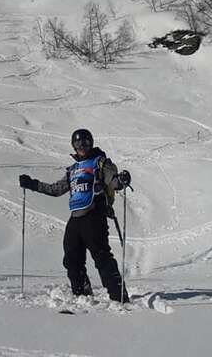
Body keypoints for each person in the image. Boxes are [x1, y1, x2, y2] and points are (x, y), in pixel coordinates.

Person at [19, 129, 132, 303]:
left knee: (101, 257)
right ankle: (82, 294)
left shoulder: (101, 162)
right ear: (74, 145)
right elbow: (56, 190)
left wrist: (121, 181)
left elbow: (113, 181)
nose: (82, 147)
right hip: (76, 218)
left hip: (95, 216)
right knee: (71, 259)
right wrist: (32, 184)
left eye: (85, 143)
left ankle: (119, 296)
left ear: (91, 143)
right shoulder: (73, 169)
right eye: (78, 144)